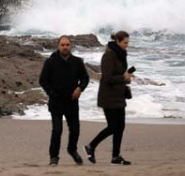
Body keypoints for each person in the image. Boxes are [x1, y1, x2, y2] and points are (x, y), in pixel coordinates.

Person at [38, 35, 90, 166]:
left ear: (70, 46)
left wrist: (80, 88)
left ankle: (72, 149)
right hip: (56, 102)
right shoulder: (50, 62)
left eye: (67, 45)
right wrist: (51, 93)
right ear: (58, 46)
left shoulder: (77, 62)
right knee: (57, 130)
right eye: (62, 45)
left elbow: (85, 78)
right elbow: (43, 80)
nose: (65, 47)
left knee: (75, 129)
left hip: (72, 102)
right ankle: (54, 157)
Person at [84, 31, 132, 165]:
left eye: (128, 43)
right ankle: (90, 146)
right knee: (113, 127)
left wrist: (126, 78)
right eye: (125, 43)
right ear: (117, 41)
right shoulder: (108, 55)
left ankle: (116, 156)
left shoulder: (121, 54)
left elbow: (120, 74)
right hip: (108, 96)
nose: (127, 45)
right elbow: (107, 78)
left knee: (120, 126)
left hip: (118, 95)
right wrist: (123, 78)